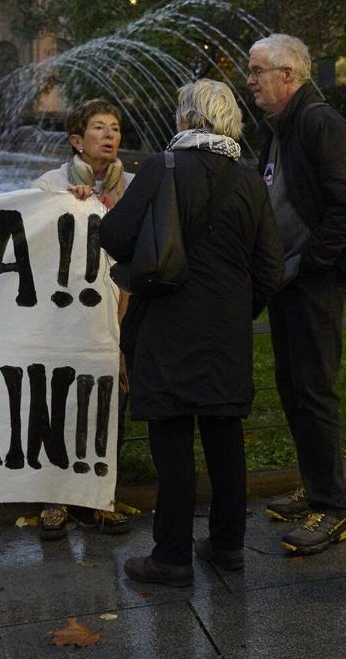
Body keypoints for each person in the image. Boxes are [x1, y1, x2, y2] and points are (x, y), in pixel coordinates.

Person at [105, 80, 283, 587]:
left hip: (166, 326)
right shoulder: (249, 180)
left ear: (186, 118)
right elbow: (271, 268)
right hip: (226, 333)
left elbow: (114, 235)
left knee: (172, 443)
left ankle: (171, 557)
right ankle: (228, 547)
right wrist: (236, 309)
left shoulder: (162, 168)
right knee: (226, 439)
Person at [245, 33, 346, 556]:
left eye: (257, 71)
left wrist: (311, 263)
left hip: (312, 281)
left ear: (288, 75)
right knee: (293, 386)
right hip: (288, 280)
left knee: (315, 391)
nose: (249, 81)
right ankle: (315, 484)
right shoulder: (281, 126)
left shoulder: (318, 122)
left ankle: (333, 510)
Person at [32, 99, 132, 539]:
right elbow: (35, 246)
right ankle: (54, 496)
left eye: (115, 128)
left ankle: (98, 497)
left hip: (117, 311)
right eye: (99, 128)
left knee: (110, 404)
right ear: (77, 140)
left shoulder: (132, 186)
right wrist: (65, 209)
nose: (109, 135)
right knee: (61, 399)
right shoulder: (50, 185)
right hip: (64, 316)